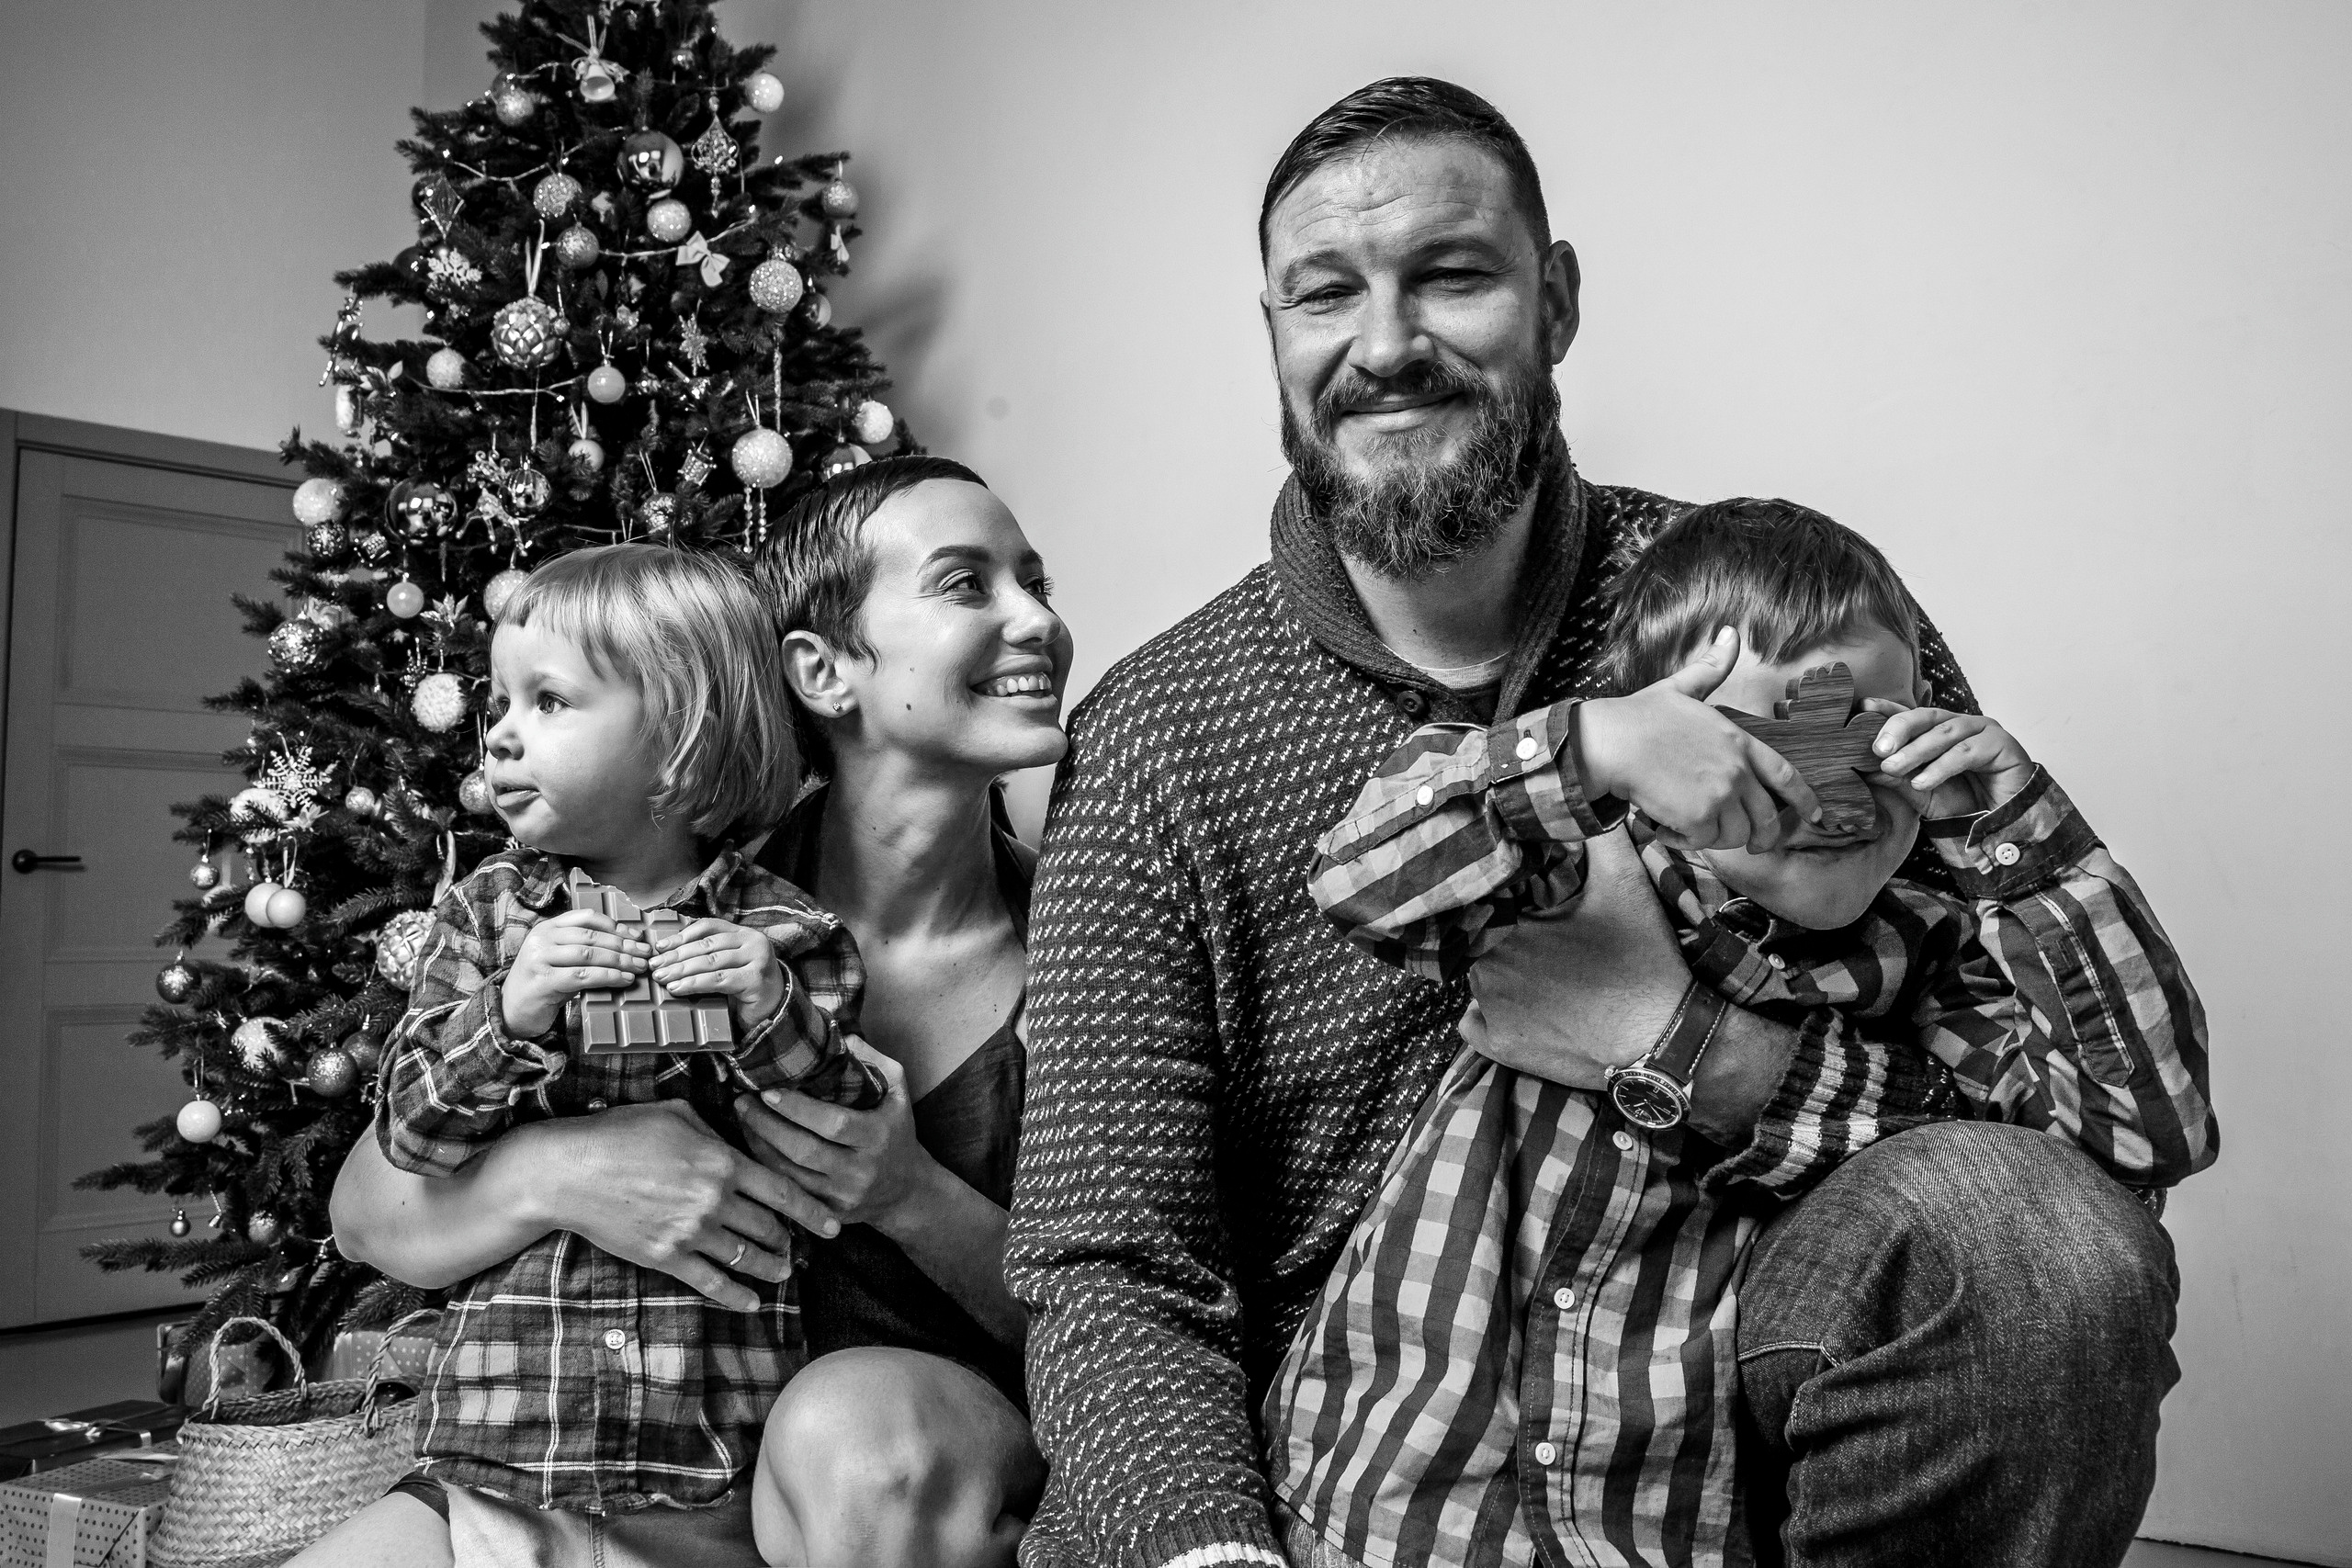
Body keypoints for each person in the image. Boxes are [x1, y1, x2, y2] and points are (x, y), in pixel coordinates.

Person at [1007, 76, 2192, 1568]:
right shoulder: (1157, 736)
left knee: (2035, 1239)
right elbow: (1112, 1260)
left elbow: (2044, 1132)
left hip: (1717, 1436)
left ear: (1556, 302)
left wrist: (1685, 1046)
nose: (1387, 343)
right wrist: (1211, 1549)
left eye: (1451, 274)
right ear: (1274, 333)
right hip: (1348, 1468)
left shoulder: (1769, 615)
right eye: (1327, 293)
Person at [1266, 498, 2214, 1568]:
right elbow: (1361, 878)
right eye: (1772, 742)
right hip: (1402, 1494)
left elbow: (2131, 1148)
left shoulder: (1932, 954)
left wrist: (2029, 850)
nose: (1834, 794)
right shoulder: (1564, 871)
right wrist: (1590, 749)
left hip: (1670, 1522)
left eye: (1876, 738)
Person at [322, 458, 1065, 1568]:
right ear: (820, 671)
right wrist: (563, 1172)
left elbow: (1145, 1309)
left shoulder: (1087, 940)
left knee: (856, 1440)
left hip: (888, 1455)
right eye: (967, 584)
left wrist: (911, 1194)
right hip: (577, 1455)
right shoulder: (651, 887)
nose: (1038, 621)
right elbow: (369, 1211)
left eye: (1036, 584)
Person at [329, 544, 886, 1562]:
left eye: (547, 701)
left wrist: (769, 1007)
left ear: (679, 739)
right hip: (504, 1468)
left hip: (710, 1472)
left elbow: (843, 1128)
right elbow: (409, 1132)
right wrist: (510, 1016)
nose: (498, 733)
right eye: (498, 702)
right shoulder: (485, 918)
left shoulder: (784, 932)